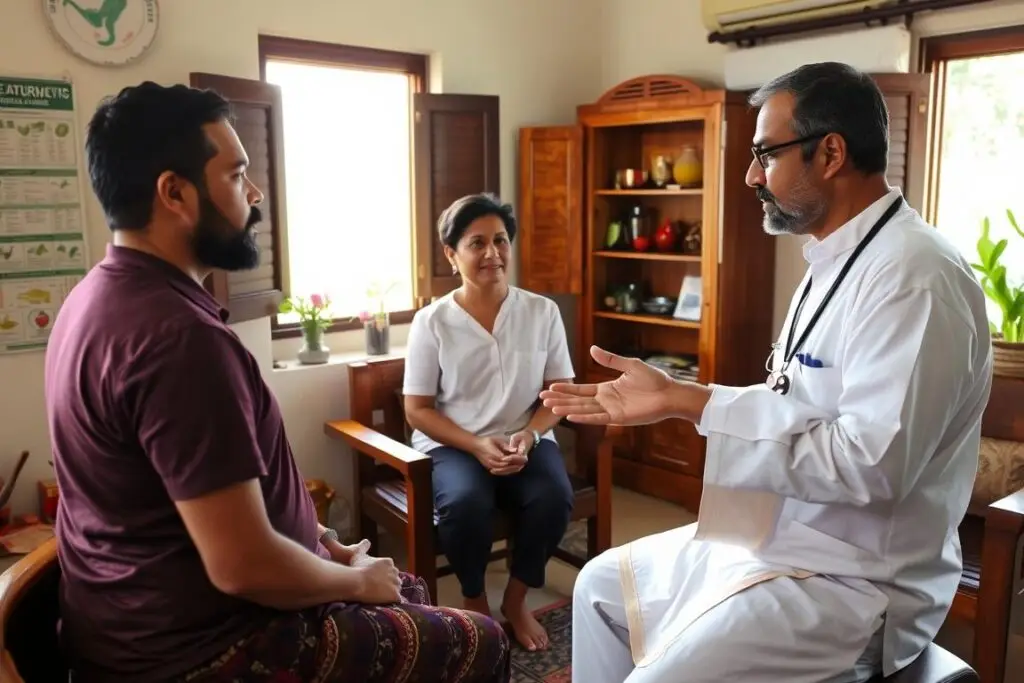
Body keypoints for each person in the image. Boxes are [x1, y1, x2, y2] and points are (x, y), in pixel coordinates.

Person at [44, 82, 510, 683]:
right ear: (175, 193)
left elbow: (203, 500)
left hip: (137, 621)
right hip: (207, 648)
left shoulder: (95, 297)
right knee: (482, 642)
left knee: (410, 585)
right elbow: (242, 567)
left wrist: (319, 540)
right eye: (237, 176)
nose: (256, 194)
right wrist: (348, 580)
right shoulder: (178, 340)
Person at [543, 62, 992, 683]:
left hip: (858, 579)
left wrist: (692, 403)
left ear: (830, 152)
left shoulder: (915, 278)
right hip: (783, 538)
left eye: (765, 154)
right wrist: (676, 395)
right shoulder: (833, 261)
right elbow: (794, 397)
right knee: (596, 585)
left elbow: (871, 465)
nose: (751, 174)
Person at [403, 193, 576, 651]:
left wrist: (530, 433)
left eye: (500, 240)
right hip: (454, 443)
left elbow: (559, 394)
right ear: (451, 254)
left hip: (525, 437)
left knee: (554, 498)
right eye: (476, 243)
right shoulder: (432, 322)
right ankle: (475, 601)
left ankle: (516, 600)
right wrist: (477, 445)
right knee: (464, 506)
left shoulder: (542, 312)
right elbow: (417, 409)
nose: (491, 254)